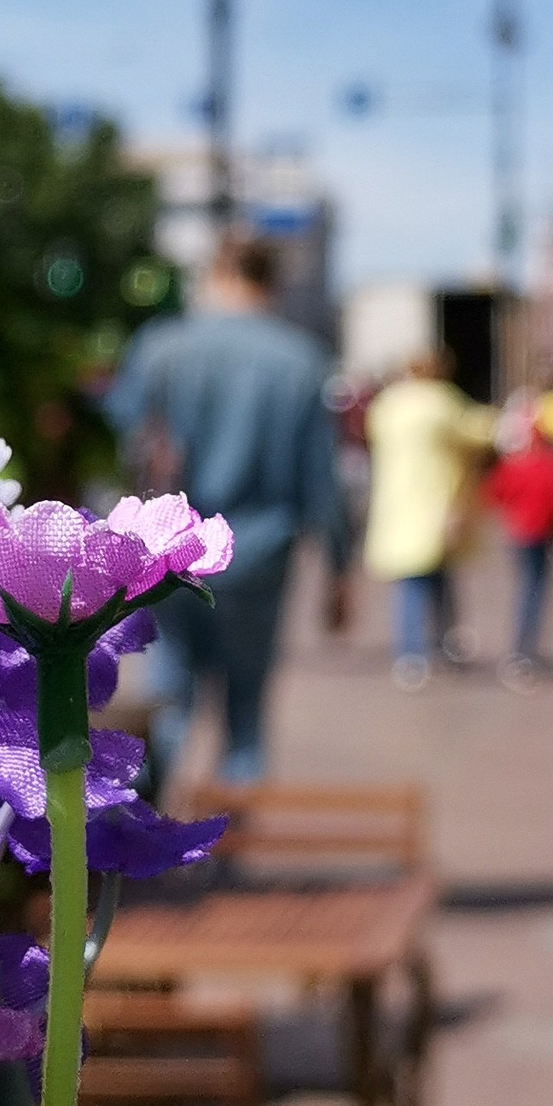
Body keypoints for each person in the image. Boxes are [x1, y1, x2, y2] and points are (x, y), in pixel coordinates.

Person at [107, 231, 349, 784]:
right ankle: (233, 852)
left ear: (216, 273)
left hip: (168, 552)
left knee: (168, 700)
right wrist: (339, 569)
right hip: (260, 554)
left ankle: (142, 844)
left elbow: (124, 446)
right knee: (246, 715)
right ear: (272, 284)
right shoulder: (301, 360)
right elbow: (321, 478)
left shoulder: (162, 347)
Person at [363, 348, 494, 690]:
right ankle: (442, 644)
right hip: (436, 503)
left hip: (397, 505)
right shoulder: (442, 401)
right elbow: (480, 432)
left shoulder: (387, 404)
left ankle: (410, 653)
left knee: (409, 584)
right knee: (440, 579)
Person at [482, 407, 553, 687]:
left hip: (519, 535)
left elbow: (495, 493)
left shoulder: (515, 463)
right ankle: (524, 651)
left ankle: (522, 649)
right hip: (542, 536)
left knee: (525, 589)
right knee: (534, 592)